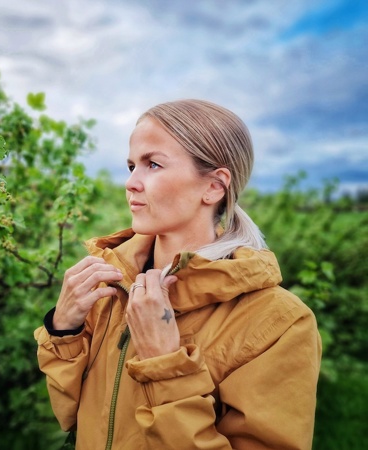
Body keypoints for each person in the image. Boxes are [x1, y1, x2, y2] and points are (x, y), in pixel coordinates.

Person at [34, 99, 322, 450]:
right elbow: (71, 416)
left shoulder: (280, 323)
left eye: (153, 164)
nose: (131, 183)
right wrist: (64, 329)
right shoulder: (110, 284)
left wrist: (165, 364)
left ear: (214, 186)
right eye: (130, 166)